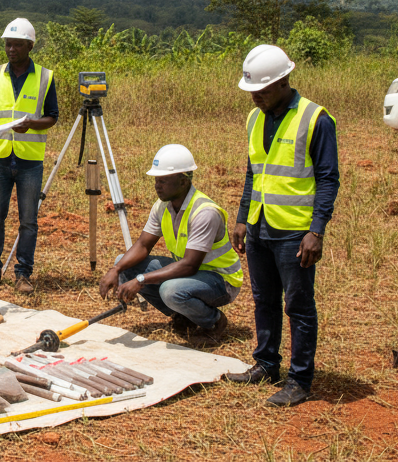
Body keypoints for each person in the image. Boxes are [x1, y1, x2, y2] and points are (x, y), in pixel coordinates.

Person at [221, 44, 340, 408]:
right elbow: (253, 172)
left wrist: (316, 231)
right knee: (264, 301)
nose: (255, 97)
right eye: (251, 91)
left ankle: (300, 380)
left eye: (262, 90)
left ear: (284, 81)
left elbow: (328, 179)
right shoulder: (254, 118)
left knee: (299, 307)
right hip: (259, 226)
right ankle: (266, 364)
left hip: (295, 232)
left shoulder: (316, 119)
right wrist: (242, 217)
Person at [97, 144, 242, 339]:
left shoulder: (205, 212)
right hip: (190, 274)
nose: (157, 185)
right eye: (156, 180)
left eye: (163, 180)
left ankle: (213, 321)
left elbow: (189, 265)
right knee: (123, 264)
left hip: (220, 280)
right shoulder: (162, 206)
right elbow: (143, 245)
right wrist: (115, 270)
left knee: (170, 290)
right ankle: (184, 316)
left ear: (183, 181)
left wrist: (141, 280)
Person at [0, 18, 57, 293]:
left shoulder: (45, 77)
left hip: (30, 160)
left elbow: (52, 117)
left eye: (17, 44)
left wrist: (32, 124)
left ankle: (23, 274)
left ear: (30, 46)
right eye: (8, 44)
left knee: (28, 220)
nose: (11, 49)